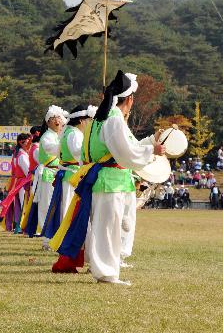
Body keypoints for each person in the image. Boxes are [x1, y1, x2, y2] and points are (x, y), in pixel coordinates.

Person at [48, 71, 164, 284]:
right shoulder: (113, 119)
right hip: (110, 179)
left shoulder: (99, 119)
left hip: (101, 178)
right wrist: (151, 152)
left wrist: (148, 145)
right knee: (108, 228)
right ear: (129, 99)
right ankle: (106, 272)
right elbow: (126, 152)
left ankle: (103, 268)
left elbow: (122, 147)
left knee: (104, 226)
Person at [42, 104, 96, 251]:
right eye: (89, 120)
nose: (90, 123)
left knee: (64, 208)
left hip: (68, 174)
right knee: (67, 210)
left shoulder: (67, 132)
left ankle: (62, 241)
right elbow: (78, 153)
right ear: (81, 120)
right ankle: (65, 242)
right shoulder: (74, 134)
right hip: (71, 175)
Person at [23, 106, 68, 238]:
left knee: (54, 204)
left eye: (59, 118)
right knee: (46, 204)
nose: (58, 121)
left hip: (56, 173)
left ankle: (52, 233)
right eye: (54, 119)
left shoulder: (57, 135)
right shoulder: (47, 136)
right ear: (48, 122)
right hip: (48, 173)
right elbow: (52, 150)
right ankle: (46, 234)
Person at [0, 133, 33, 234]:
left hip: (18, 181)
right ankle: (19, 226)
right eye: (29, 141)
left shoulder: (17, 154)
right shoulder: (22, 156)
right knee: (22, 204)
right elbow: (27, 171)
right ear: (22, 143)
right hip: (22, 182)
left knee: (18, 204)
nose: (30, 144)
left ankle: (16, 226)